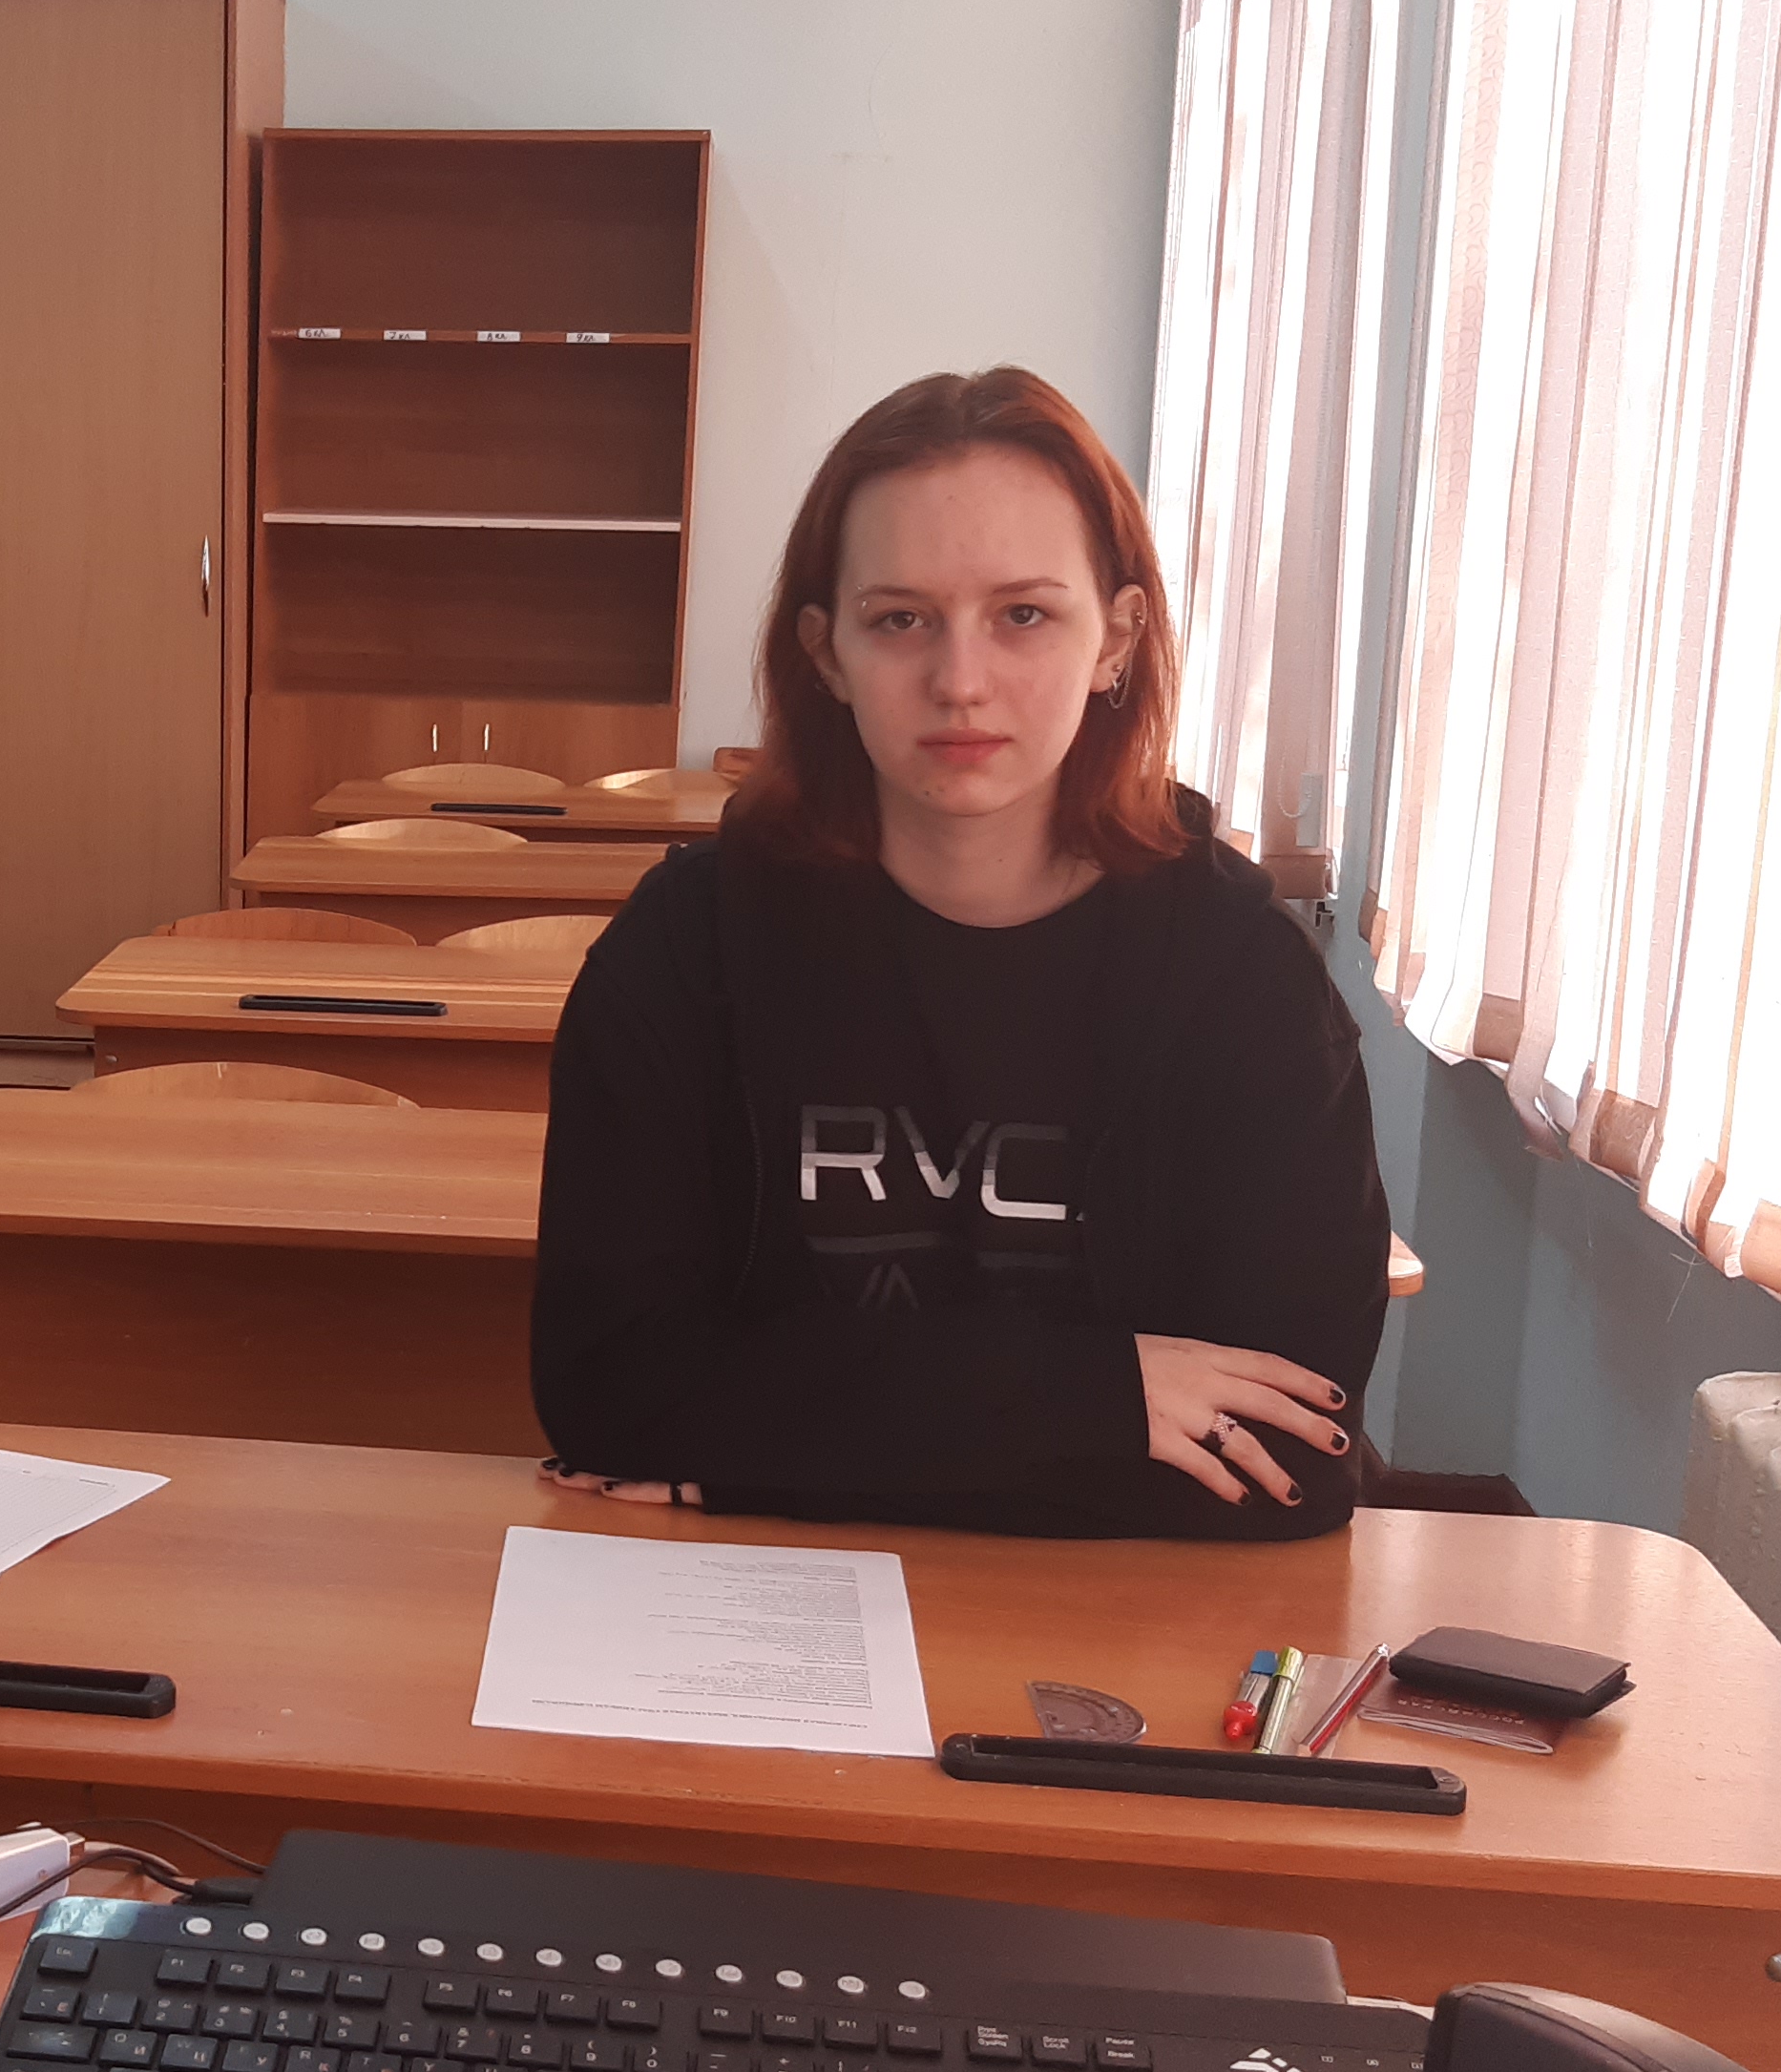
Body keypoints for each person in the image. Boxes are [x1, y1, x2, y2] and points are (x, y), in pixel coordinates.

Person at [532, 366, 1390, 1540]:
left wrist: (766, 1455)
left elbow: (1290, 1460)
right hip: (758, 1603)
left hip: (1128, 1618)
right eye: (901, 619)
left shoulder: (1242, 977)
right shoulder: (687, 950)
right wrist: (1101, 1397)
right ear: (826, 653)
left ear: (1116, 639)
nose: (961, 681)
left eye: (1023, 614)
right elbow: (613, 1394)